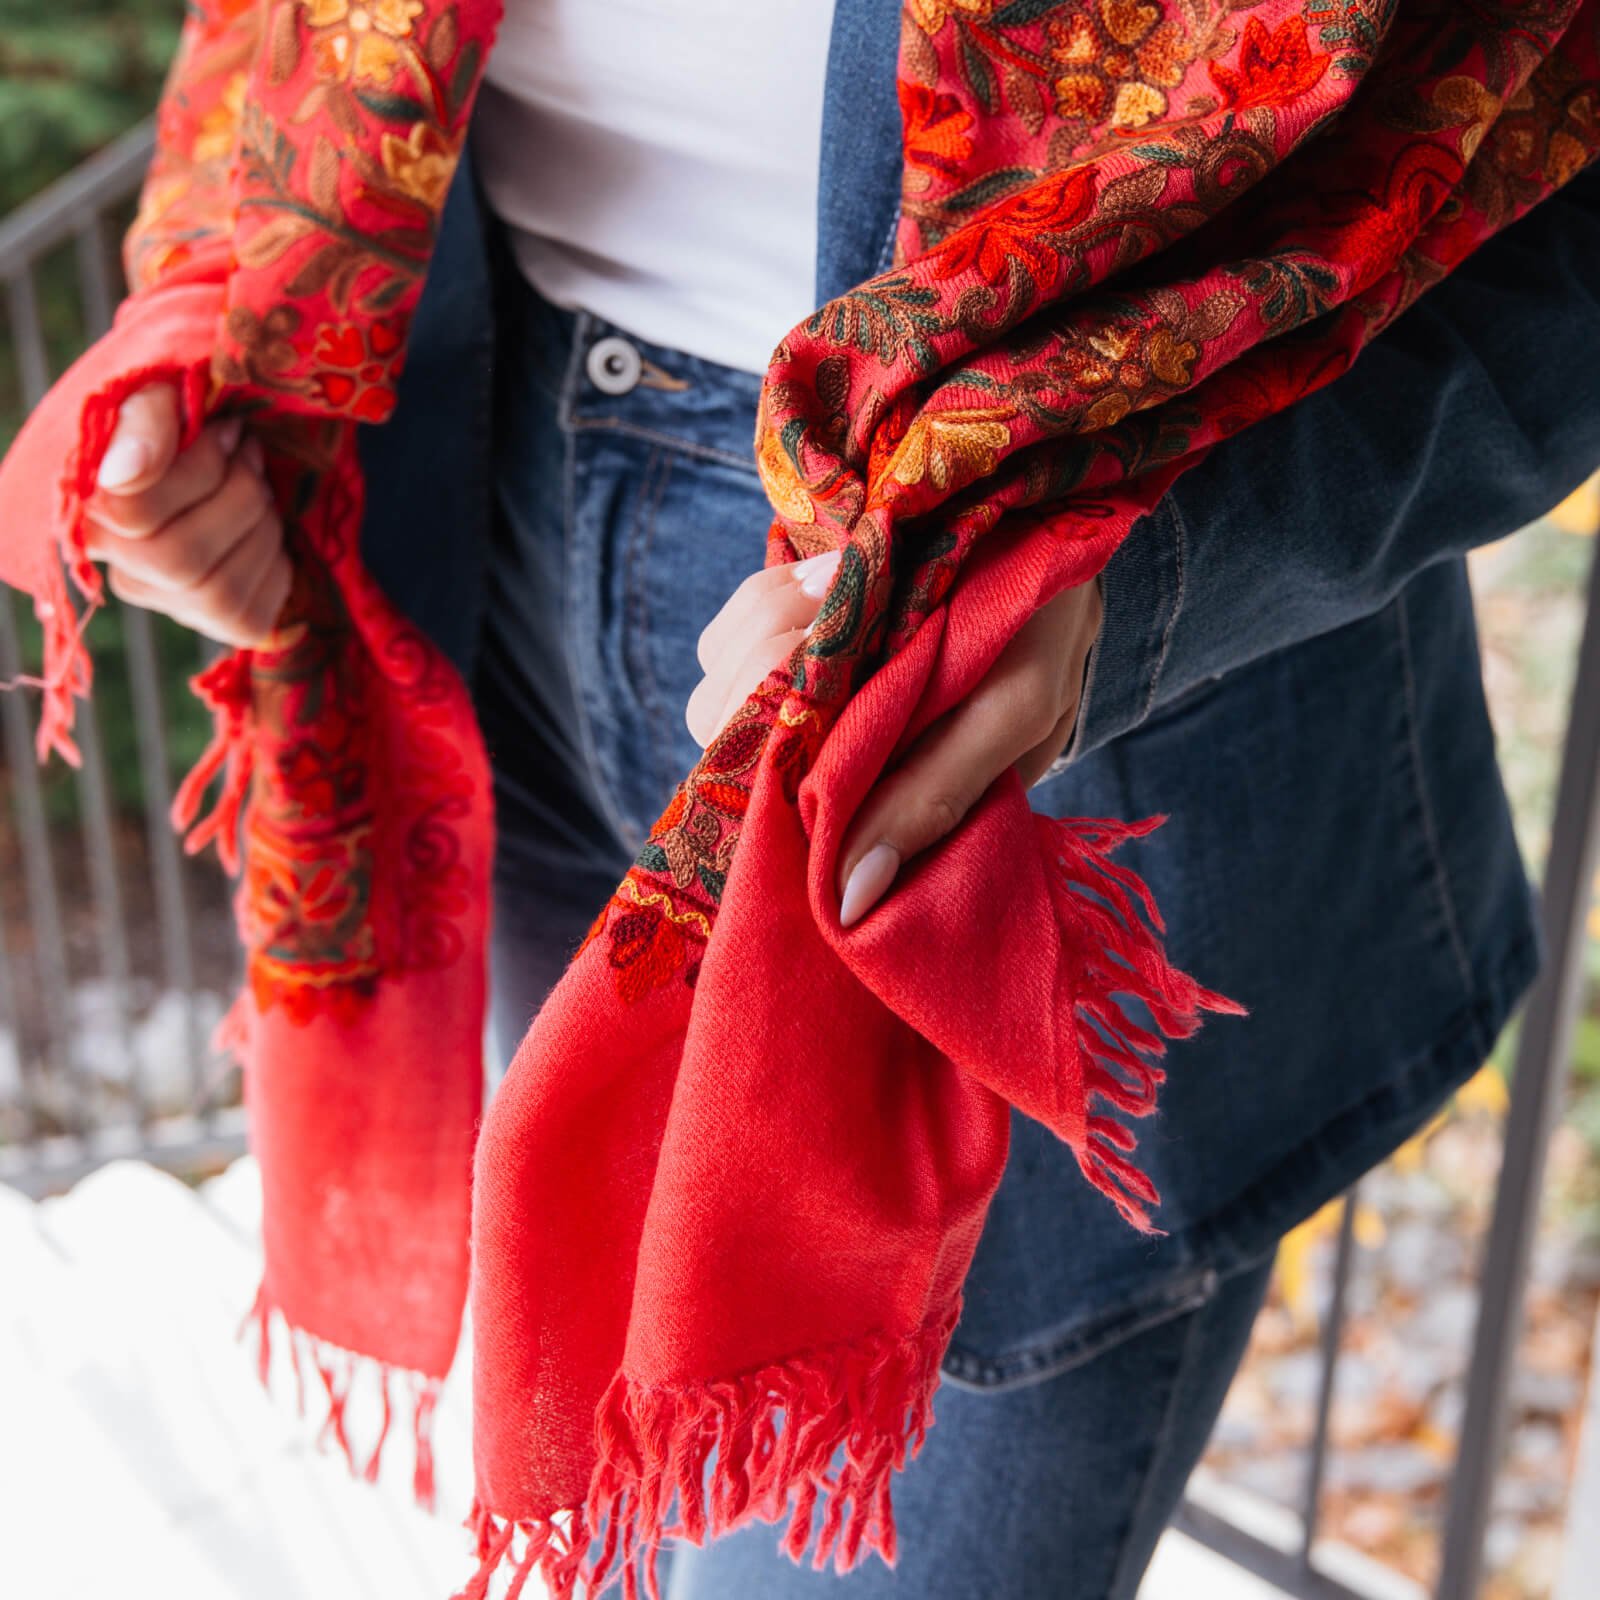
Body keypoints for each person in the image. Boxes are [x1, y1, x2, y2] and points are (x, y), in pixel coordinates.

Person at [52, 2, 1600, 1595]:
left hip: (1024, 696)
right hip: (497, 533)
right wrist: (222, 306)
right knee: (633, 1463)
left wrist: (1160, 588)